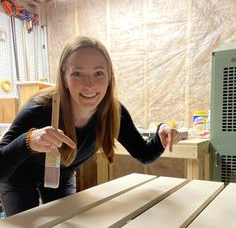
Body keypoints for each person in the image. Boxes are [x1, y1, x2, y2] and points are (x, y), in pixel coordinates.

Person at [0, 36, 182, 217]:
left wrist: (161, 135)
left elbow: (143, 154)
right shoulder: (39, 110)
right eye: (77, 73)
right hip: (18, 176)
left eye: (98, 73)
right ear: (64, 77)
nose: (89, 84)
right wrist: (28, 142)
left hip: (62, 176)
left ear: (109, 76)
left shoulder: (113, 112)